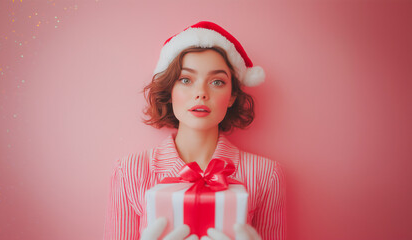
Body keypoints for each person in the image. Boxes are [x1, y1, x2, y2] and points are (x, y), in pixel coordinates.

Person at [103, 21, 286, 240]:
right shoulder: (129, 172)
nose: (201, 93)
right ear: (170, 91)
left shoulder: (266, 175)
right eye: (186, 79)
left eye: (217, 82)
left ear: (232, 97)